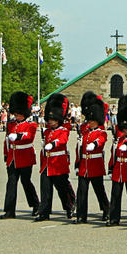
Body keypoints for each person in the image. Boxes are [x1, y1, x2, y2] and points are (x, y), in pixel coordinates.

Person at [35, 93, 76, 222]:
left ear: (58, 119)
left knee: (62, 188)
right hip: (47, 163)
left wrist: (53, 144)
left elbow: (62, 141)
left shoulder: (63, 130)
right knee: (45, 189)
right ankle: (44, 212)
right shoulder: (47, 131)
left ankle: (69, 207)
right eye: (49, 119)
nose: (50, 121)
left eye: (52, 119)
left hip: (58, 163)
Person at [0, 92, 40, 219]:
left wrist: (18, 136)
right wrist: (6, 154)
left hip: (25, 156)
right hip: (13, 157)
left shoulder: (31, 124)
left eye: (19, 113)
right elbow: (6, 140)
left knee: (26, 182)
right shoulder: (11, 124)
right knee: (11, 183)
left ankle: (36, 205)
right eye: (15, 113)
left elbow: (29, 137)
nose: (16, 115)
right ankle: (10, 210)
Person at [75, 96, 109, 224]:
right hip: (84, 165)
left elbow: (101, 141)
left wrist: (94, 145)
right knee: (82, 191)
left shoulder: (101, 132)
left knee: (99, 190)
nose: (90, 123)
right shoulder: (85, 131)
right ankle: (81, 215)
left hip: (95, 165)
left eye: (92, 121)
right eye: (89, 121)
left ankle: (107, 209)